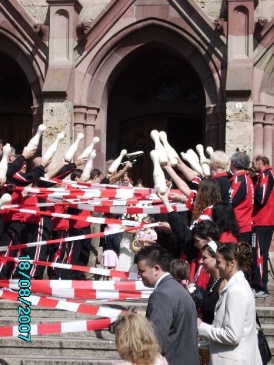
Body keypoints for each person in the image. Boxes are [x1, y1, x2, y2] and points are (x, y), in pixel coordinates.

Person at [197, 242, 262, 365]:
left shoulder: (236, 290)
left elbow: (232, 335)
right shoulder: (236, 286)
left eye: (219, 262)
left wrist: (202, 327)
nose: (216, 266)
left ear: (231, 263)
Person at [134, 245, 200, 365]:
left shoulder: (161, 295)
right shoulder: (179, 289)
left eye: (142, 271)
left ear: (156, 269)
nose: (139, 275)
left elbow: (156, 341)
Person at [251, 155, 274, 297]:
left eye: (254, 163)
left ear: (260, 162)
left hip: (263, 221)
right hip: (261, 221)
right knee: (257, 253)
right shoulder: (262, 176)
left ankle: (260, 286)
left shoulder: (267, 175)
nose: (253, 166)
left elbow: (261, 198)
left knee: (259, 254)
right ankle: (258, 284)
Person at [199, 241, 226, 324]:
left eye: (204, 258)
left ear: (216, 259)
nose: (201, 261)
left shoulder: (223, 284)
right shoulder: (213, 283)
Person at [229, 152, 254, 242]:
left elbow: (230, 201)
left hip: (239, 225)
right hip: (244, 223)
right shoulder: (247, 178)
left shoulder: (239, 179)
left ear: (234, 164)